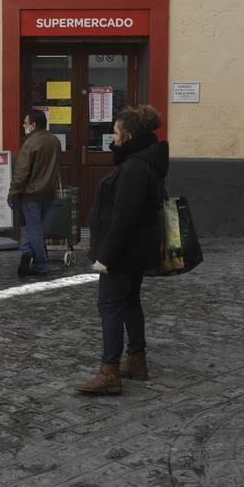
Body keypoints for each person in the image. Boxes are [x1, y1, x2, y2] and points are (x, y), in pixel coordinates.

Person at [74, 105, 168, 395]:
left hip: (124, 252)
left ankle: (109, 371)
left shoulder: (135, 168)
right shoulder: (143, 162)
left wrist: (106, 258)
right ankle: (136, 362)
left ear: (127, 136)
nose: (112, 139)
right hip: (136, 250)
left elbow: (125, 218)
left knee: (110, 306)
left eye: (115, 133)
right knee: (129, 303)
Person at [7, 108, 60, 276]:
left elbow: (21, 172)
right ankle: (25, 252)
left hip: (31, 194)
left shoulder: (29, 143)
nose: (24, 125)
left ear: (33, 125)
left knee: (34, 229)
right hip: (49, 192)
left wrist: (13, 193)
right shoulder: (55, 141)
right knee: (35, 228)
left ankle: (40, 265)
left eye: (25, 123)